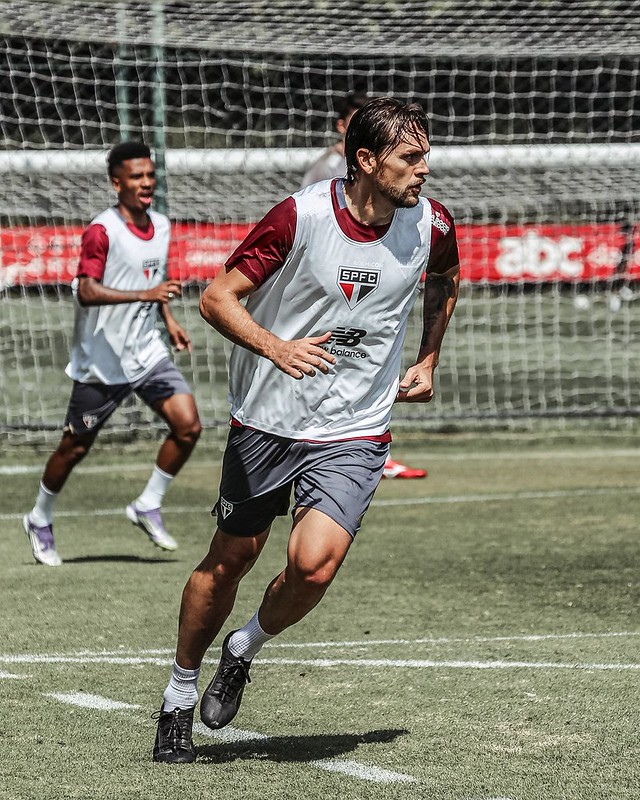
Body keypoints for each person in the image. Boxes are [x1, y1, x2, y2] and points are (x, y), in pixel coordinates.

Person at [152, 97, 459, 763]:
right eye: (411, 157)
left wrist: (428, 357)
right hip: (269, 419)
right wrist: (275, 347)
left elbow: (445, 278)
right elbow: (215, 298)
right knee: (232, 558)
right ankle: (179, 692)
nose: (425, 168)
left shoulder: (433, 224)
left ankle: (245, 647)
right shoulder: (301, 216)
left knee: (313, 568)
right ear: (368, 161)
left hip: (357, 426)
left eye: (426, 155)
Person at [22, 141, 202, 567]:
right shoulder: (102, 230)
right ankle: (39, 517)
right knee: (75, 446)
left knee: (188, 426)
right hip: (102, 363)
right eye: (136, 177)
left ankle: (147, 504)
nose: (146, 183)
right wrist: (146, 293)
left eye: (150, 175)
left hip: (146, 352)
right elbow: (86, 291)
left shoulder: (160, 223)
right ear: (116, 182)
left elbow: (154, 278)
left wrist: (167, 315)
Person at [302, 92, 427, 480]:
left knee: (363, 354)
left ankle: (364, 445)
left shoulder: (424, 216)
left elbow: (445, 274)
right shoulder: (322, 179)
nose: (422, 168)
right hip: (330, 290)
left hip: (368, 277)